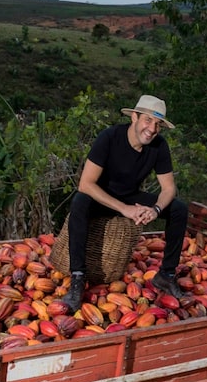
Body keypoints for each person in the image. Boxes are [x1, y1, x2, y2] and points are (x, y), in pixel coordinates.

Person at [59, 95, 188, 312]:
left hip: (130, 195)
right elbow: (86, 184)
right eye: (147, 120)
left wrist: (155, 210)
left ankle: (166, 274)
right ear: (134, 117)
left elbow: (168, 188)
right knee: (80, 201)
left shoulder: (159, 146)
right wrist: (124, 209)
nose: (152, 128)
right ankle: (78, 278)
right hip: (101, 196)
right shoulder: (109, 138)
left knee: (178, 208)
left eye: (158, 124)